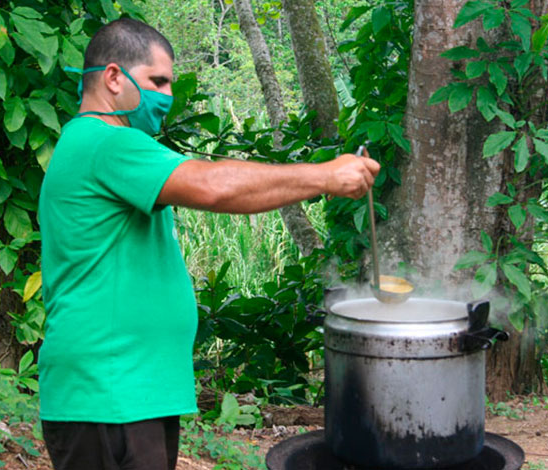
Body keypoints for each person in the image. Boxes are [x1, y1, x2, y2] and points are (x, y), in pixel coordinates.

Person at [37, 17, 379, 470]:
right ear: (114, 77)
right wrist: (324, 175)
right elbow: (215, 186)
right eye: (157, 81)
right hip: (108, 393)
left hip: (131, 392)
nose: (167, 95)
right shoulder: (105, 143)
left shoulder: (105, 147)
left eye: (171, 84)